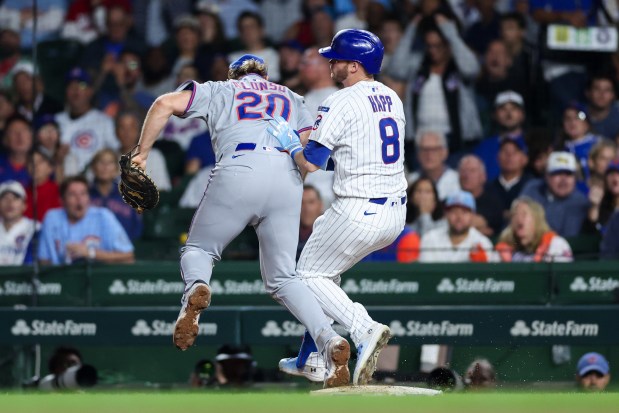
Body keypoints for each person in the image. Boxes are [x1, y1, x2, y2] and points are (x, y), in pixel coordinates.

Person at [130, 53, 349, 388]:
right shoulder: (291, 97)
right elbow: (309, 157)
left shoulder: (221, 89)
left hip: (240, 165)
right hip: (287, 177)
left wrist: (142, 153)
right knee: (283, 279)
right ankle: (329, 340)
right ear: (264, 75)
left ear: (234, 75)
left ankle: (197, 288)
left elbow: (163, 103)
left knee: (200, 249)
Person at [268, 29, 407, 386]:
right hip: (395, 213)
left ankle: (363, 329)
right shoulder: (391, 97)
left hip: (358, 211)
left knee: (305, 278)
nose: (332, 62)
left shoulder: (341, 100)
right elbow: (348, 157)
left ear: (355, 65)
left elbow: (312, 162)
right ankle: (311, 358)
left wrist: (289, 145)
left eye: (338, 58)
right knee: (322, 277)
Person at [38, 176, 134, 265]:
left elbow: (128, 256)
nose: (79, 199)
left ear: (89, 198)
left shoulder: (103, 216)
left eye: (83, 193)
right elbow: (44, 260)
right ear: (62, 200)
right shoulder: (52, 218)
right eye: (72, 194)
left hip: (98, 278)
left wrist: (91, 253)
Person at [55, 68, 119, 176]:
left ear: (90, 91)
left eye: (82, 86)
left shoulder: (104, 121)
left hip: (95, 183)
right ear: (66, 92)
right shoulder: (56, 120)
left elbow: (115, 154)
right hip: (64, 183)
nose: (76, 90)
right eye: (71, 86)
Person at [521, 152, 590, 238]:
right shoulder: (533, 189)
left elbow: (569, 237)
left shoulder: (580, 202)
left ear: (575, 178)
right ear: (546, 176)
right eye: (557, 173)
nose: (563, 179)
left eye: (568, 174)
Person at [419, 190, 496, 263]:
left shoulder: (483, 243)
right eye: (454, 212)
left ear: (472, 215)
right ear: (446, 214)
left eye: (464, 212)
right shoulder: (430, 239)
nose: (459, 217)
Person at [496, 197, 573, 262]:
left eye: (524, 214)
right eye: (515, 215)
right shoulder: (503, 250)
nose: (519, 220)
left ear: (537, 219)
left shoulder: (556, 245)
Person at [89, 149, 143, 241]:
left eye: (110, 163)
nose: (105, 167)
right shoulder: (84, 193)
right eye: (101, 162)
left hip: (122, 248)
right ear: (93, 168)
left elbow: (136, 229)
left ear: (116, 169)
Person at [474, 90, 527, 180]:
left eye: (514, 109)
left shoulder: (533, 143)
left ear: (522, 114)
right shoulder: (484, 147)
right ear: (494, 115)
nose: (509, 114)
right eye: (503, 109)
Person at [485, 136, 532, 225]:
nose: (509, 156)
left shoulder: (532, 186)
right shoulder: (487, 188)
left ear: (525, 159)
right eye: (505, 151)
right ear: (497, 157)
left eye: (515, 152)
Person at [458, 155, 503, 237]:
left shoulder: (493, 201)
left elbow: (479, 222)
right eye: (463, 171)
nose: (466, 175)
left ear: (483, 176)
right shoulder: (452, 199)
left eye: (472, 171)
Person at [409, 129, 460, 200]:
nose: (429, 155)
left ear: (444, 153)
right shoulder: (409, 182)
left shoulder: (458, 182)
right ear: (418, 154)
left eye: (434, 150)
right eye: (424, 149)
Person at [0, 181, 37, 265]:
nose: (10, 202)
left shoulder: (36, 228)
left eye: (15, 198)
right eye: (5, 198)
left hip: (23, 277)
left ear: (24, 205)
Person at [586, 73, 619, 140]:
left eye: (607, 90)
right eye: (597, 89)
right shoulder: (577, 114)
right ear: (588, 93)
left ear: (614, 95)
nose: (602, 94)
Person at [298, 185, 323, 260]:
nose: (306, 208)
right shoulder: (285, 236)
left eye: (311, 202)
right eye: (301, 203)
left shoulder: (331, 235)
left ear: (320, 206)